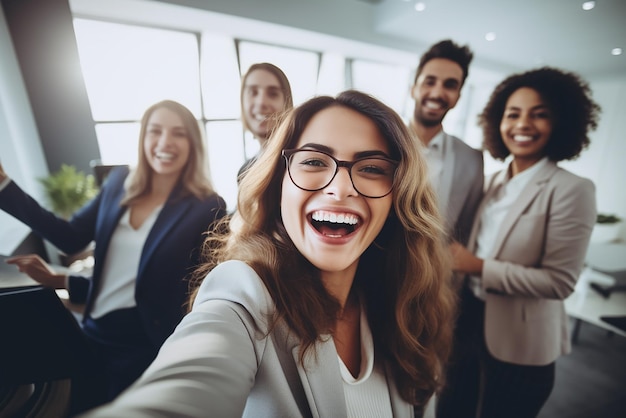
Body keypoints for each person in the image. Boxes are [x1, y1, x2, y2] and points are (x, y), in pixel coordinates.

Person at [79, 90, 456, 417]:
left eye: (372, 168)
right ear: (279, 185)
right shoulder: (244, 295)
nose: (341, 188)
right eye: (313, 161)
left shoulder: (402, 307)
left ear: (398, 196)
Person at [0, 100, 227, 413]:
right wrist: (3, 186)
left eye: (178, 134)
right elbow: (70, 238)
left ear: (193, 144)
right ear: (143, 137)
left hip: (144, 342)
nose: (164, 143)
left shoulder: (207, 205)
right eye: (155, 131)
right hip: (92, 329)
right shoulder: (118, 182)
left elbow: (198, 288)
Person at [440, 67, 600, 418]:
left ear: (561, 122)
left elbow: (559, 282)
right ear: (498, 121)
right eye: (513, 114)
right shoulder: (495, 180)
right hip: (468, 321)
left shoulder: (572, 189)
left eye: (539, 114)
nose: (523, 124)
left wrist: (477, 266)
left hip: (521, 342)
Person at [409, 39, 483, 246]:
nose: (437, 93)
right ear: (413, 88)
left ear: (458, 97)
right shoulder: (380, 141)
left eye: (450, 85)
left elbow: (466, 230)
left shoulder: (473, 159)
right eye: (429, 81)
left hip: (433, 271)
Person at [237, 62, 293, 181]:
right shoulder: (245, 171)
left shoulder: (297, 164)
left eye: (273, 94)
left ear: (287, 103)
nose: (261, 102)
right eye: (253, 92)